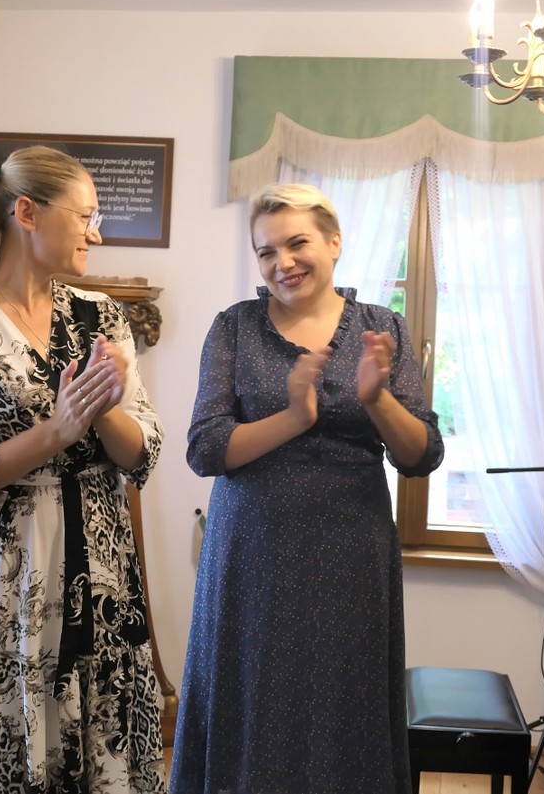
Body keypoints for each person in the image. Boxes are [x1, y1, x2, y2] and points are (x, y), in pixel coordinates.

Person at [0, 146, 167, 794]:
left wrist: (104, 410)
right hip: (2, 592)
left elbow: (145, 450)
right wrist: (56, 431)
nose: (95, 234)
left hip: (103, 583)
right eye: (85, 216)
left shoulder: (101, 316)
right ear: (26, 212)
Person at [170, 183, 444, 793]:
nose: (283, 263)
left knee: (342, 704)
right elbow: (205, 448)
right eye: (266, 252)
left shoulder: (382, 327)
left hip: (350, 554)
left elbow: (421, 455)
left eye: (297, 244)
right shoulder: (234, 327)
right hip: (250, 553)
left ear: (334, 242)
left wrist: (376, 400)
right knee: (250, 699)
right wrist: (295, 417)